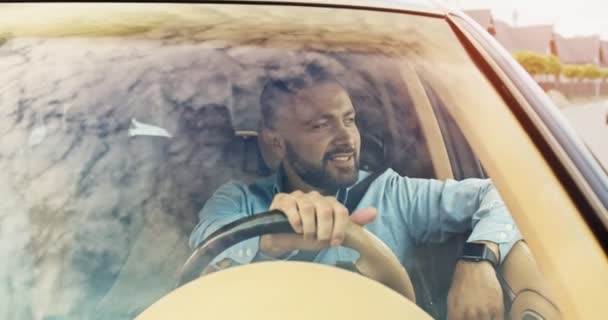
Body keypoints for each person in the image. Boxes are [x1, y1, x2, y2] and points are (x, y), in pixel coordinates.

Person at [190, 68, 522, 320]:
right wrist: (271, 243)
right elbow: (208, 243)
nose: (346, 139)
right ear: (277, 142)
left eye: (349, 120)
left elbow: (509, 196)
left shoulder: (393, 193)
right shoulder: (236, 200)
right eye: (321, 125)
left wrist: (478, 258)